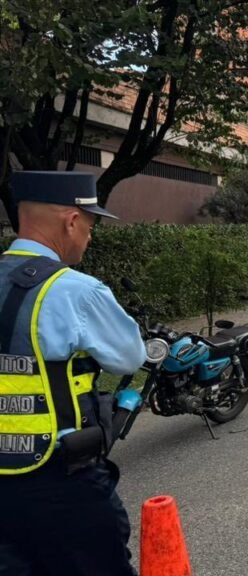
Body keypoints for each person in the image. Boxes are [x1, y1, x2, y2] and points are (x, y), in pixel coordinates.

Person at [0, 171, 146, 575]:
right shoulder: (75, 291)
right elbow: (129, 358)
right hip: (60, 482)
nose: (89, 236)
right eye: (91, 225)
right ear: (71, 221)